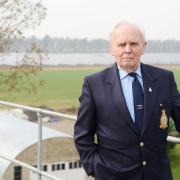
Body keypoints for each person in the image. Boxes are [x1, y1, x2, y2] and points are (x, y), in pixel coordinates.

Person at [74, 21, 180, 180]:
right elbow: (82, 135)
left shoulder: (164, 79)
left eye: (134, 44)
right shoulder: (94, 84)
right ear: (111, 48)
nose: (128, 50)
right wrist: (96, 168)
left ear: (144, 46)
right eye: (122, 44)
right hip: (112, 176)